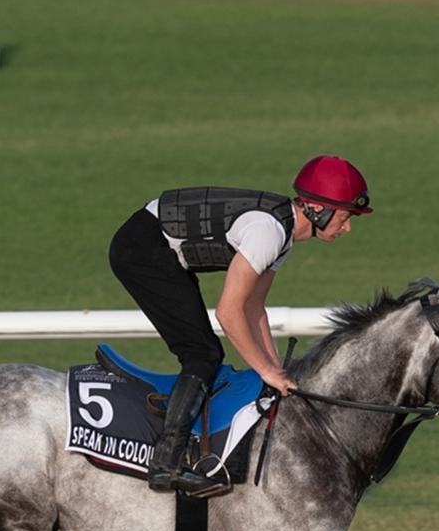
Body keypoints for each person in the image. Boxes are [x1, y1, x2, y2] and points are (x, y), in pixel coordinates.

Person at [107, 155, 372, 494]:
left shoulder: (284, 236)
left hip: (160, 249)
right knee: (202, 354)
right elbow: (229, 312)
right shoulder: (268, 232)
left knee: (206, 351)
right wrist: (264, 370)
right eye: (346, 216)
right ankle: (166, 463)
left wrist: (277, 372)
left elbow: (254, 307)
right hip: (141, 248)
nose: (347, 227)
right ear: (319, 209)